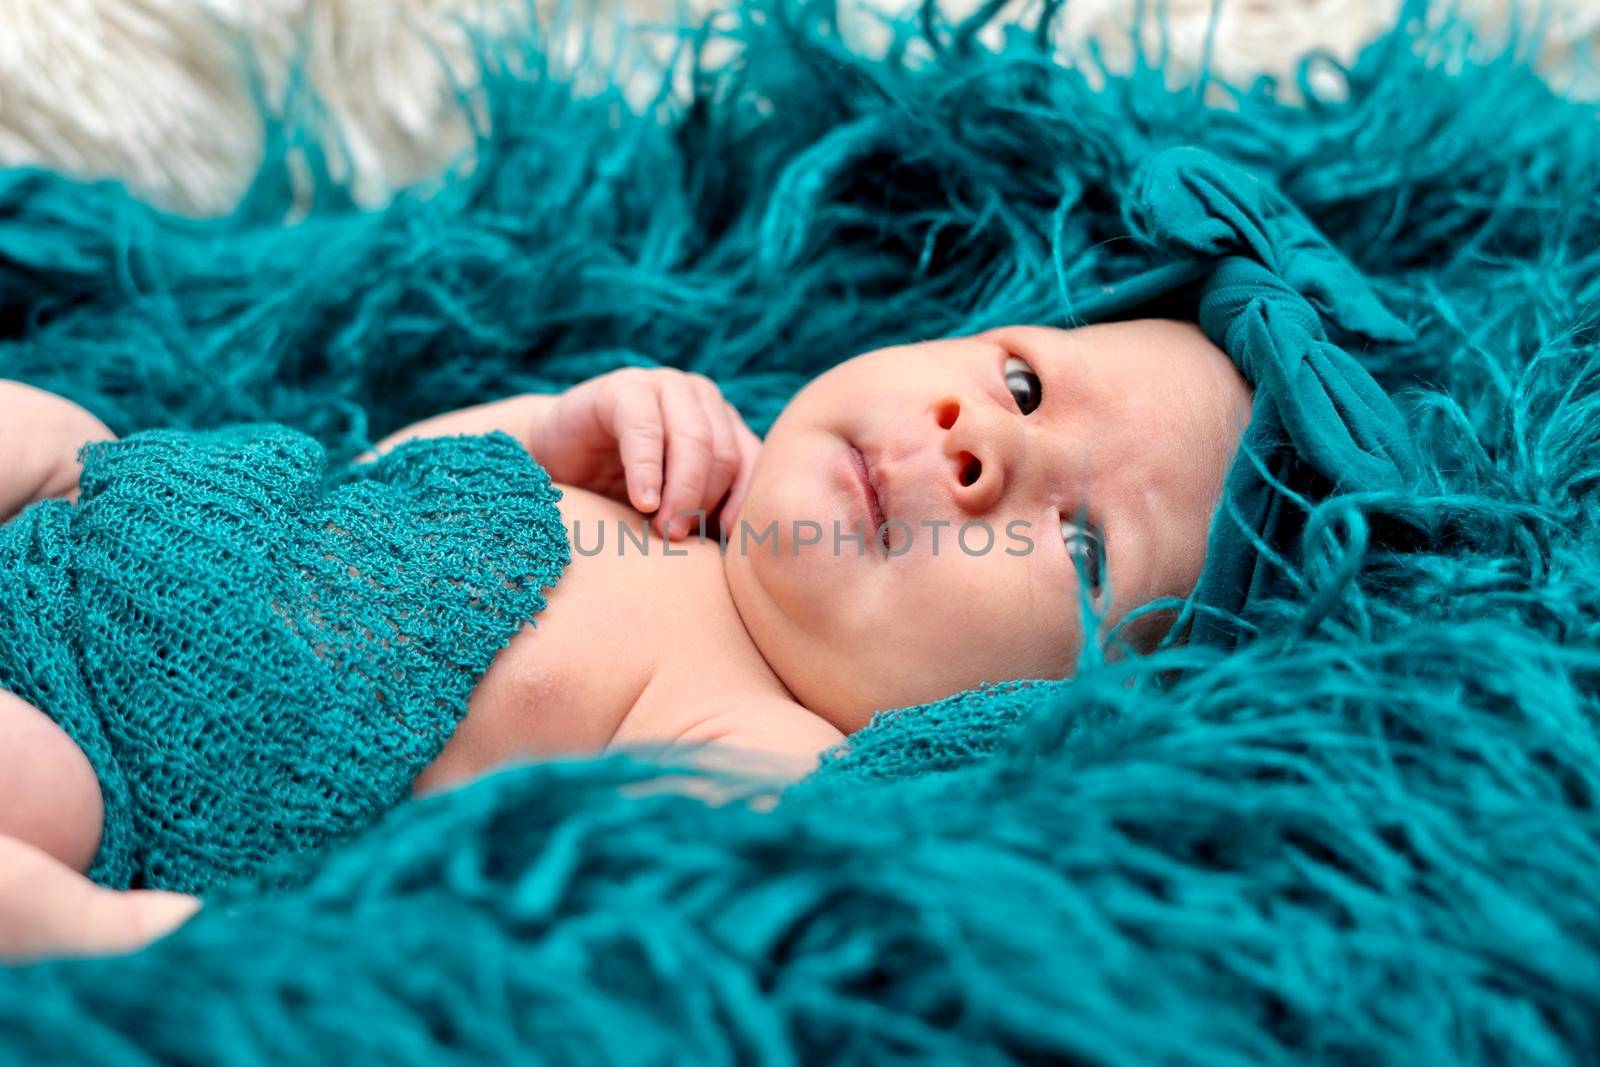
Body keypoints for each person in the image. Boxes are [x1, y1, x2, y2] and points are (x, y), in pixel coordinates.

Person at [0, 318, 1253, 959]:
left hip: (101, 754)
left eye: (1083, 545)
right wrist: (553, 428)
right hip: (93, 499)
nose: (982, 441)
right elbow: (386, 483)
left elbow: (544, 911)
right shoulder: (673, 491)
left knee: (36, 813)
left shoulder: (768, 755)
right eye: (1023, 381)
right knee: (46, 418)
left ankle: (97, 945)